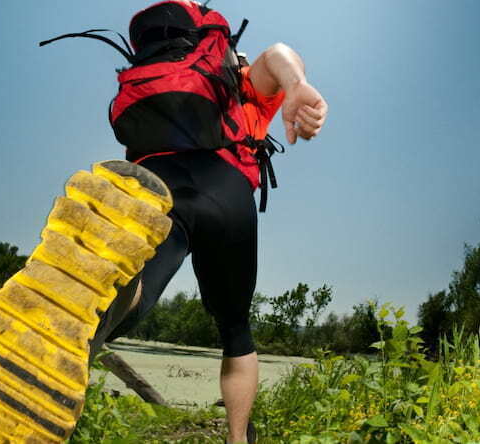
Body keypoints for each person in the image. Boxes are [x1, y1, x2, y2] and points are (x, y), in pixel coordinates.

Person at [89, 36, 328, 444]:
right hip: (226, 189)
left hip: (158, 179)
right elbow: (279, 53)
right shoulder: (242, 84)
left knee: (137, 284)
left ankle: (119, 278)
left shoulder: (169, 101)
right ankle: (238, 439)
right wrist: (295, 85)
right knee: (236, 330)